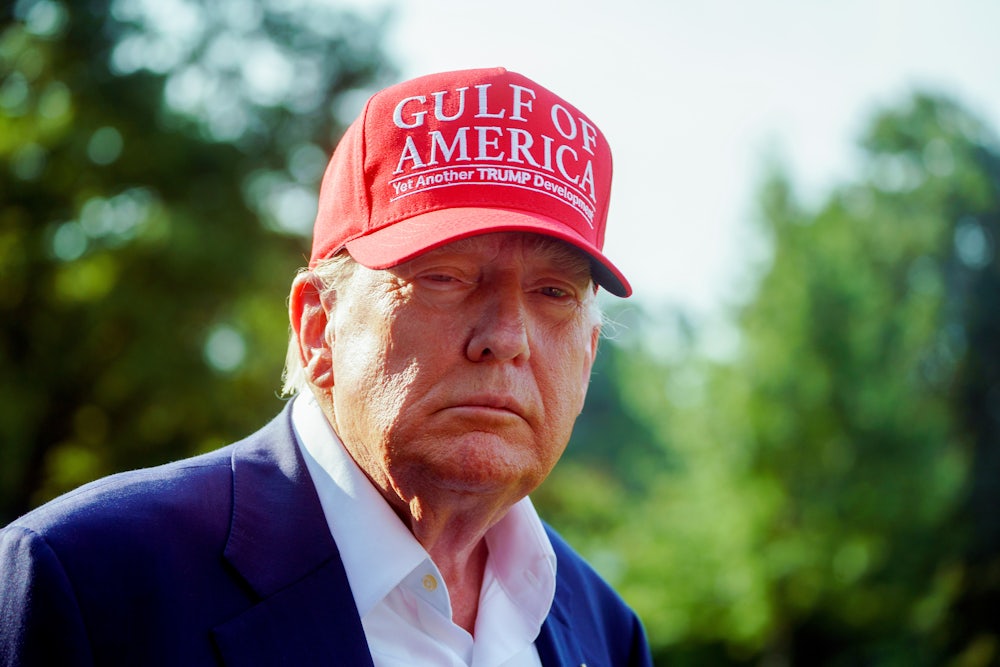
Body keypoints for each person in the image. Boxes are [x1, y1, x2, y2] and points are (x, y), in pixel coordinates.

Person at [0, 67, 652, 666]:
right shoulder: (84, 582)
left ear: (589, 354)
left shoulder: (606, 631)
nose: (506, 338)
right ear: (318, 324)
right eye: (444, 277)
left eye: (553, 293)